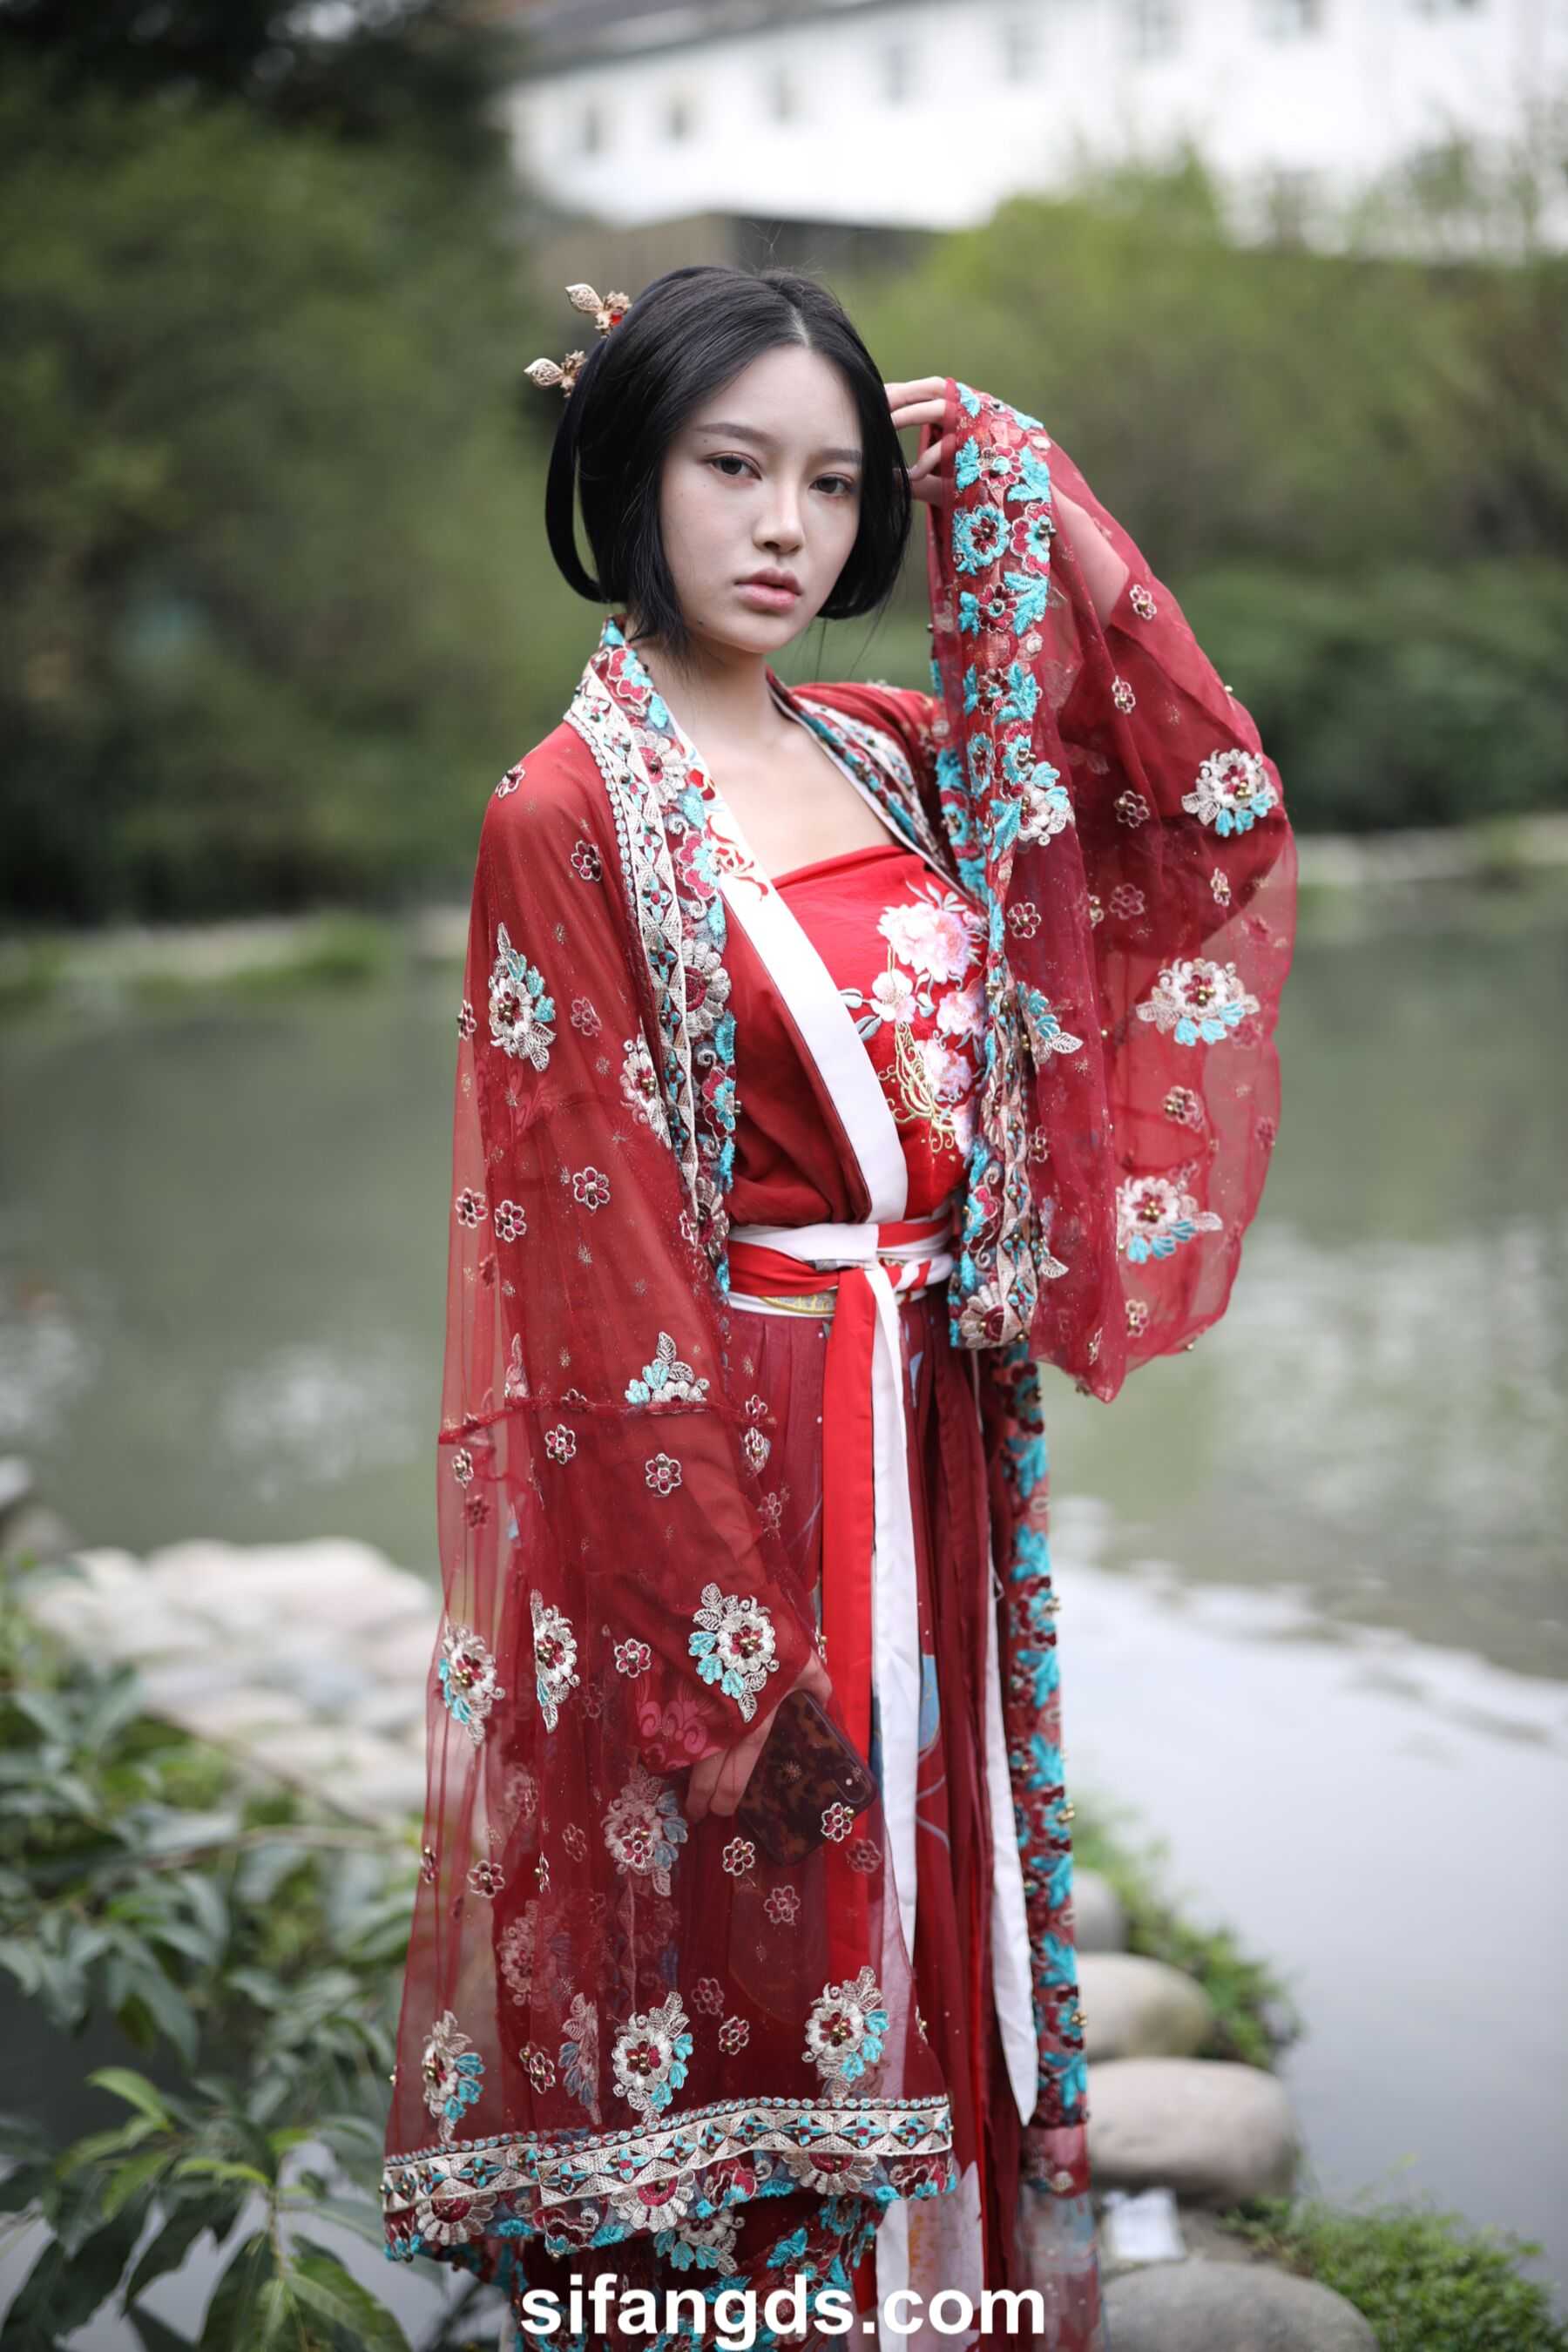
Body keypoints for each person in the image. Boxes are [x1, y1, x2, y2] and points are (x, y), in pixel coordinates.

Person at [380, 264, 1295, 2352]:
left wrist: (1011, 476)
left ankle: (936, 2312)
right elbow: (594, 1277)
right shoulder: (567, 813)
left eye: (832, 480)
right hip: (743, 1466)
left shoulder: (888, 753)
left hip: (933, 1431)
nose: (786, 526)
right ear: (630, 472)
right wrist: (726, 1668)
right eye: (732, 467)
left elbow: (1200, 812)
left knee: (939, 1907)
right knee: (780, 1917)